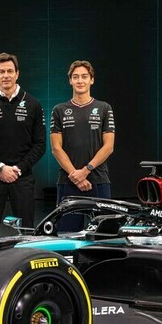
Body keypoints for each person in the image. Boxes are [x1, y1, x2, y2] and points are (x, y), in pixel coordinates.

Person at [0, 52, 46, 239]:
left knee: (27, 234)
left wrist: (18, 169)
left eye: (10, 71)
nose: (6, 75)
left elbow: (40, 144)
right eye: (1, 72)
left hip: (23, 178)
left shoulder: (33, 105)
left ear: (17, 74)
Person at [50, 60, 115, 231]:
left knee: (103, 235)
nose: (80, 81)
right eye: (76, 77)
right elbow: (56, 148)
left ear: (91, 80)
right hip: (68, 182)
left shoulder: (104, 108)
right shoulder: (59, 110)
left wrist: (85, 171)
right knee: (66, 235)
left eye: (84, 77)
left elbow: (108, 147)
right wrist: (74, 175)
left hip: (98, 180)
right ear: (70, 80)